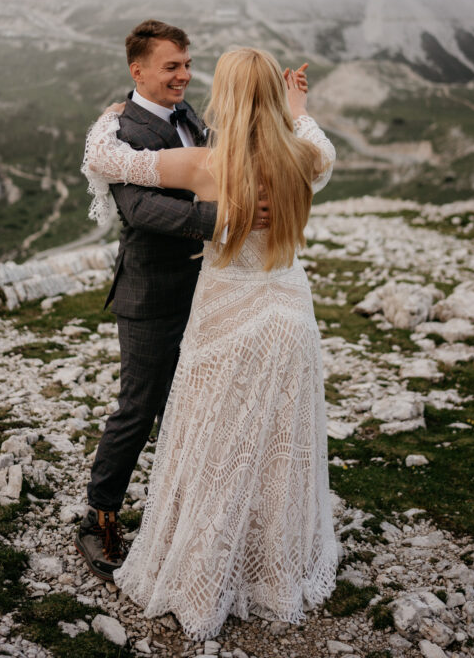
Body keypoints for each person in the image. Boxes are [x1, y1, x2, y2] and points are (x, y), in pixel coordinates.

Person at [81, 47, 339, 641]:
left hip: (226, 316)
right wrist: (298, 107)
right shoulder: (304, 155)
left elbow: (105, 157)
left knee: (216, 439)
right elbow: (317, 144)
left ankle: (208, 560)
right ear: (274, 98)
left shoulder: (205, 163)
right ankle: (274, 562)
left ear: (224, 96)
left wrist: (108, 114)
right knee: (277, 440)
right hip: (289, 315)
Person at [75, 20, 274, 582]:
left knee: (191, 408)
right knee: (138, 408)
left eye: (187, 64)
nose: (185, 75)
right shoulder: (122, 131)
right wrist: (224, 220)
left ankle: (182, 517)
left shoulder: (189, 117)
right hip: (152, 294)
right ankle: (99, 516)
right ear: (138, 71)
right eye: (172, 66)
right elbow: (141, 212)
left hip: (208, 290)